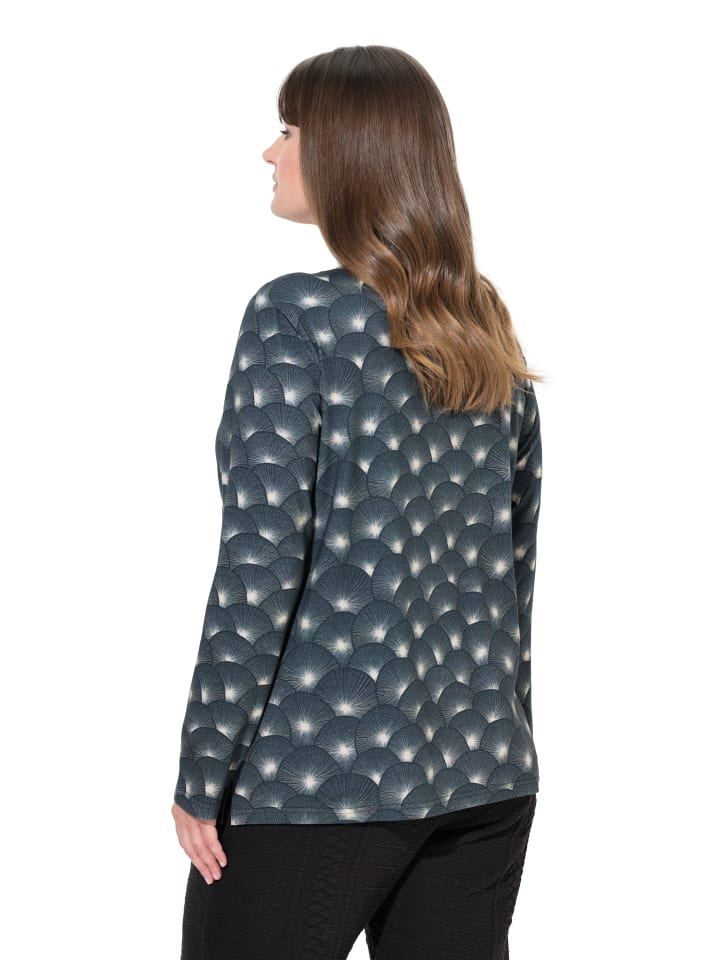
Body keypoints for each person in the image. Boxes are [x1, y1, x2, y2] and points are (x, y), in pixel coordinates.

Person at [171, 44, 545, 960]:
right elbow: (513, 567)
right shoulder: (481, 326)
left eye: (289, 129)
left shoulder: (294, 318)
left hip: (320, 779)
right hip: (484, 773)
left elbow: (260, 564)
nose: (271, 151)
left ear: (347, 150)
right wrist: (506, 729)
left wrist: (203, 766)